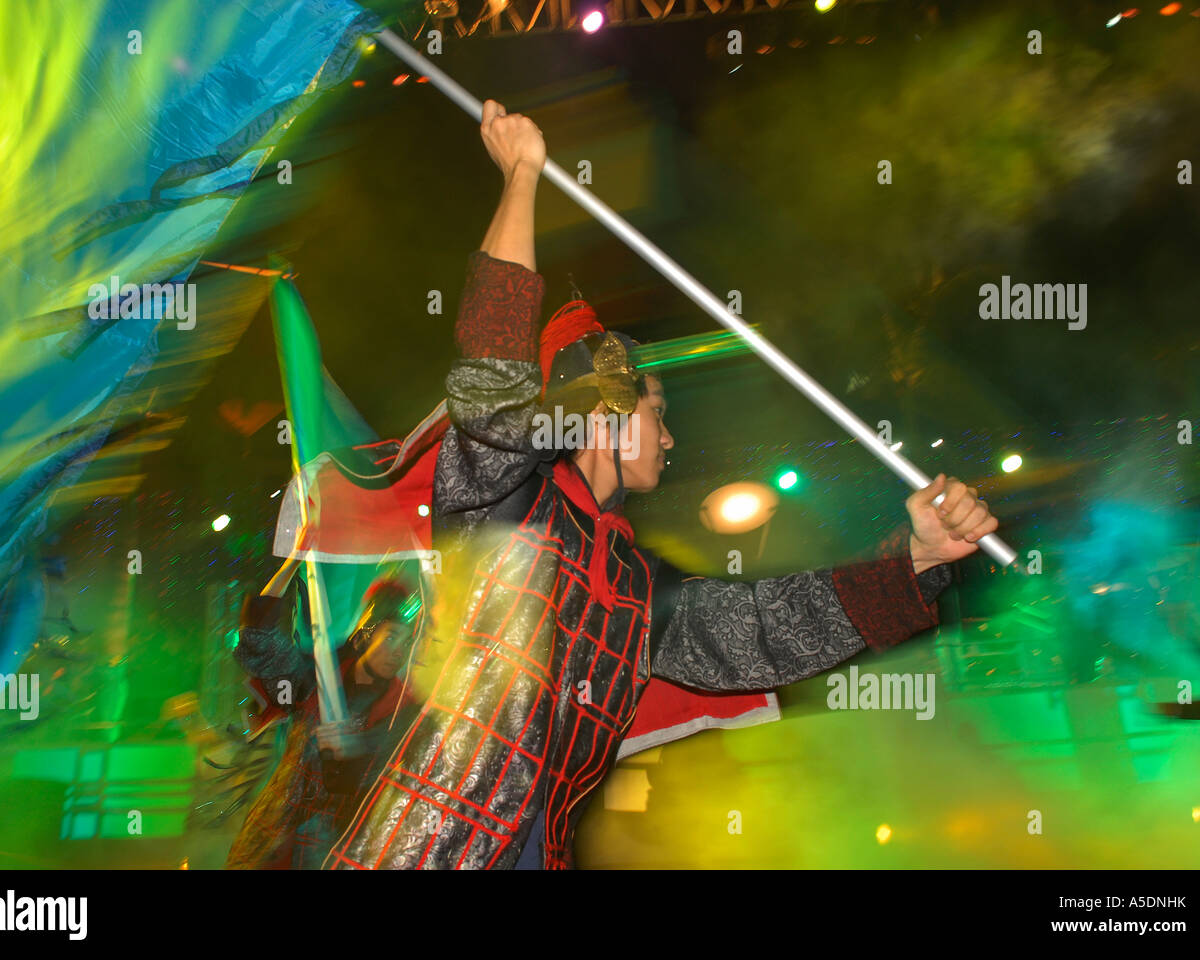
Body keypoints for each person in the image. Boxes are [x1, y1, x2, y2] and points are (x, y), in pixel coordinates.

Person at [325, 100, 999, 870]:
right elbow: (493, 381)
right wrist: (521, 177)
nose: (671, 437)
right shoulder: (503, 509)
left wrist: (915, 559)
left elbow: (764, 632)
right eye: (657, 410)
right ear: (605, 415)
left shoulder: (637, 588)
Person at [225, 576, 424, 869]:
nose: (398, 651)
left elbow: (391, 786)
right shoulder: (315, 678)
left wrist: (353, 751)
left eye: (407, 642)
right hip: (269, 835)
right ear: (368, 634)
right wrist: (293, 560)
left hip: (329, 851)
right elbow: (258, 642)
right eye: (392, 636)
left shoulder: (401, 711)